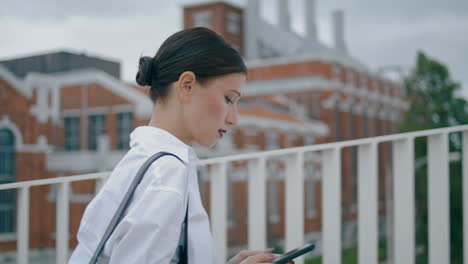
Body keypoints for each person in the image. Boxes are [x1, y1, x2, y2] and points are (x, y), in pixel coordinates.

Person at [69, 27, 284, 264]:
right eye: (228, 99)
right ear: (187, 85)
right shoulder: (166, 176)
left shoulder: (147, 161)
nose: (234, 118)